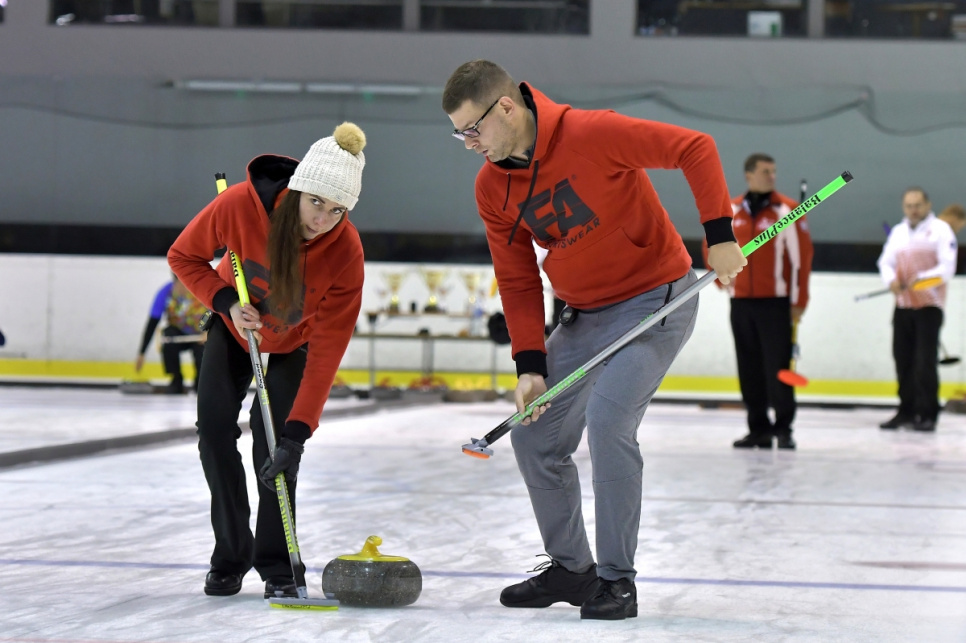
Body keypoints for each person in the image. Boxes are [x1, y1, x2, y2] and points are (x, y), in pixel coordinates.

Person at [442, 60, 746, 621]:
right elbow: (516, 277)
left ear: (505, 107)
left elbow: (694, 147)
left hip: (655, 303)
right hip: (583, 318)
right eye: (460, 134)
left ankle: (616, 580)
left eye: (473, 129)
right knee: (533, 436)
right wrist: (529, 365)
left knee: (609, 423)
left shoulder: (591, 133)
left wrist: (719, 234)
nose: (469, 144)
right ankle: (573, 570)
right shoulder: (491, 187)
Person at [167, 122, 367, 599]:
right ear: (298, 188)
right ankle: (230, 556)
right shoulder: (239, 206)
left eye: (337, 210)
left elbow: (329, 347)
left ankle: (277, 564)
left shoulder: (346, 251)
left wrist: (299, 432)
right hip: (235, 331)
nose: (323, 219)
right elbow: (183, 256)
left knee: (275, 449)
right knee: (214, 433)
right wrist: (225, 303)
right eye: (316, 202)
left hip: (294, 344)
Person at [702, 154, 813, 450]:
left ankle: (784, 428)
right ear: (749, 174)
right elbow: (711, 244)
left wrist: (799, 300)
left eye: (773, 172)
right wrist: (720, 279)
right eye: (765, 171)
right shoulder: (731, 210)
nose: (771, 176)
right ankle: (758, 429)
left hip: (776, 304)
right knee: (748, 367)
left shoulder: (787, 210)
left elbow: (802, 259)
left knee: (778, 367)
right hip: (741, 304)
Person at [877, 187, 957, 432]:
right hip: (903, 307)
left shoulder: (941, 231)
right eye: (909, 206)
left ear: (927, 205)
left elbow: (947, 268)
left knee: (924, 362)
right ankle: (906, 410)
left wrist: (921, 279)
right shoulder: (898, 232)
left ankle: (927, 412)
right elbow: (885, 262)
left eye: (918, 205)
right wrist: (891, 280)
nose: (913, 210)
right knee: (903, 360)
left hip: (929, 307)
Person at [134, 274, 208, 394]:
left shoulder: (202, 290)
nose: (183, 290)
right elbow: (152, 323)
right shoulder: (165, 293)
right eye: (180, 285)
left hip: (200, 334)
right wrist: (142, 353)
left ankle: (199, 381)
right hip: (177, 333)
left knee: (202, 352)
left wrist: (209, 331)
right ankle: (176, 379)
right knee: (168, 336)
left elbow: (216, 313)